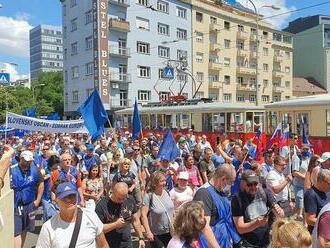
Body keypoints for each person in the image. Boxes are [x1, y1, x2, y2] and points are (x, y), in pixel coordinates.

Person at [36, 182, 109, 248]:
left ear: (77, 197)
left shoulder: (90, 216)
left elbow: (103, 245)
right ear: (57, 201)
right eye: (64, 197)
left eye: (72, 196)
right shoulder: (48, 227)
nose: (68, 200)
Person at [231, 170, 284, 248]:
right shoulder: (237, 199)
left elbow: (279, 212)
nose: (253, 187)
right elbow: (240, 228)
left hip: (265, 241)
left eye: (255, 184)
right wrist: (256, 223)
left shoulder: (265, 192)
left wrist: (279, 212)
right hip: (247, 244)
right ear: (243, 183)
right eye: (249, 184)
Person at [193, 164, 240, 248]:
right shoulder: (203, 194)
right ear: (223, 179)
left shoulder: (221, 192)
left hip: (225, 241)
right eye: (231, 182)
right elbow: (204, 227)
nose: (232, 185)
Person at [95, 182, 146, 248]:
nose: (122, 201)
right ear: (112, 192)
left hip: (127, 243)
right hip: (109, 244)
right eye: (119, 198)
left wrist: (141, 238)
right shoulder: (102, 205)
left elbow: (135, 220)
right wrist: (115, 224)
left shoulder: (130, 199)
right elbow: (98, 229)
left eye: (124, 198)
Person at [11, 150, 44, 248]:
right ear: (20, 159)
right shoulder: (12, 170)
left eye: (29, 161)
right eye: (25, 161)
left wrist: (37, 201)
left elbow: (41, 184)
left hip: (30, 204)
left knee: (26, 228)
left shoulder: (35, 170)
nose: (28, 163)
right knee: (17, 231)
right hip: (16, 205)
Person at [141, 171, 174, 248]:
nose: (164, 183)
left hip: (171, 231)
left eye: (164, 180)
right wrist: (148, 232)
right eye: (162, 181)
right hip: (156, 234)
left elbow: (171, 211)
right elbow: (143, 215)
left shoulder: (167, 192)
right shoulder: (149, 196)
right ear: (155, 183)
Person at [304, 168, 330, 233]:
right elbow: (310, 220)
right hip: (318, 234)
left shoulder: (325, 191)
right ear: (321, 182)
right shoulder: (311, 195)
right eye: (329, 183)